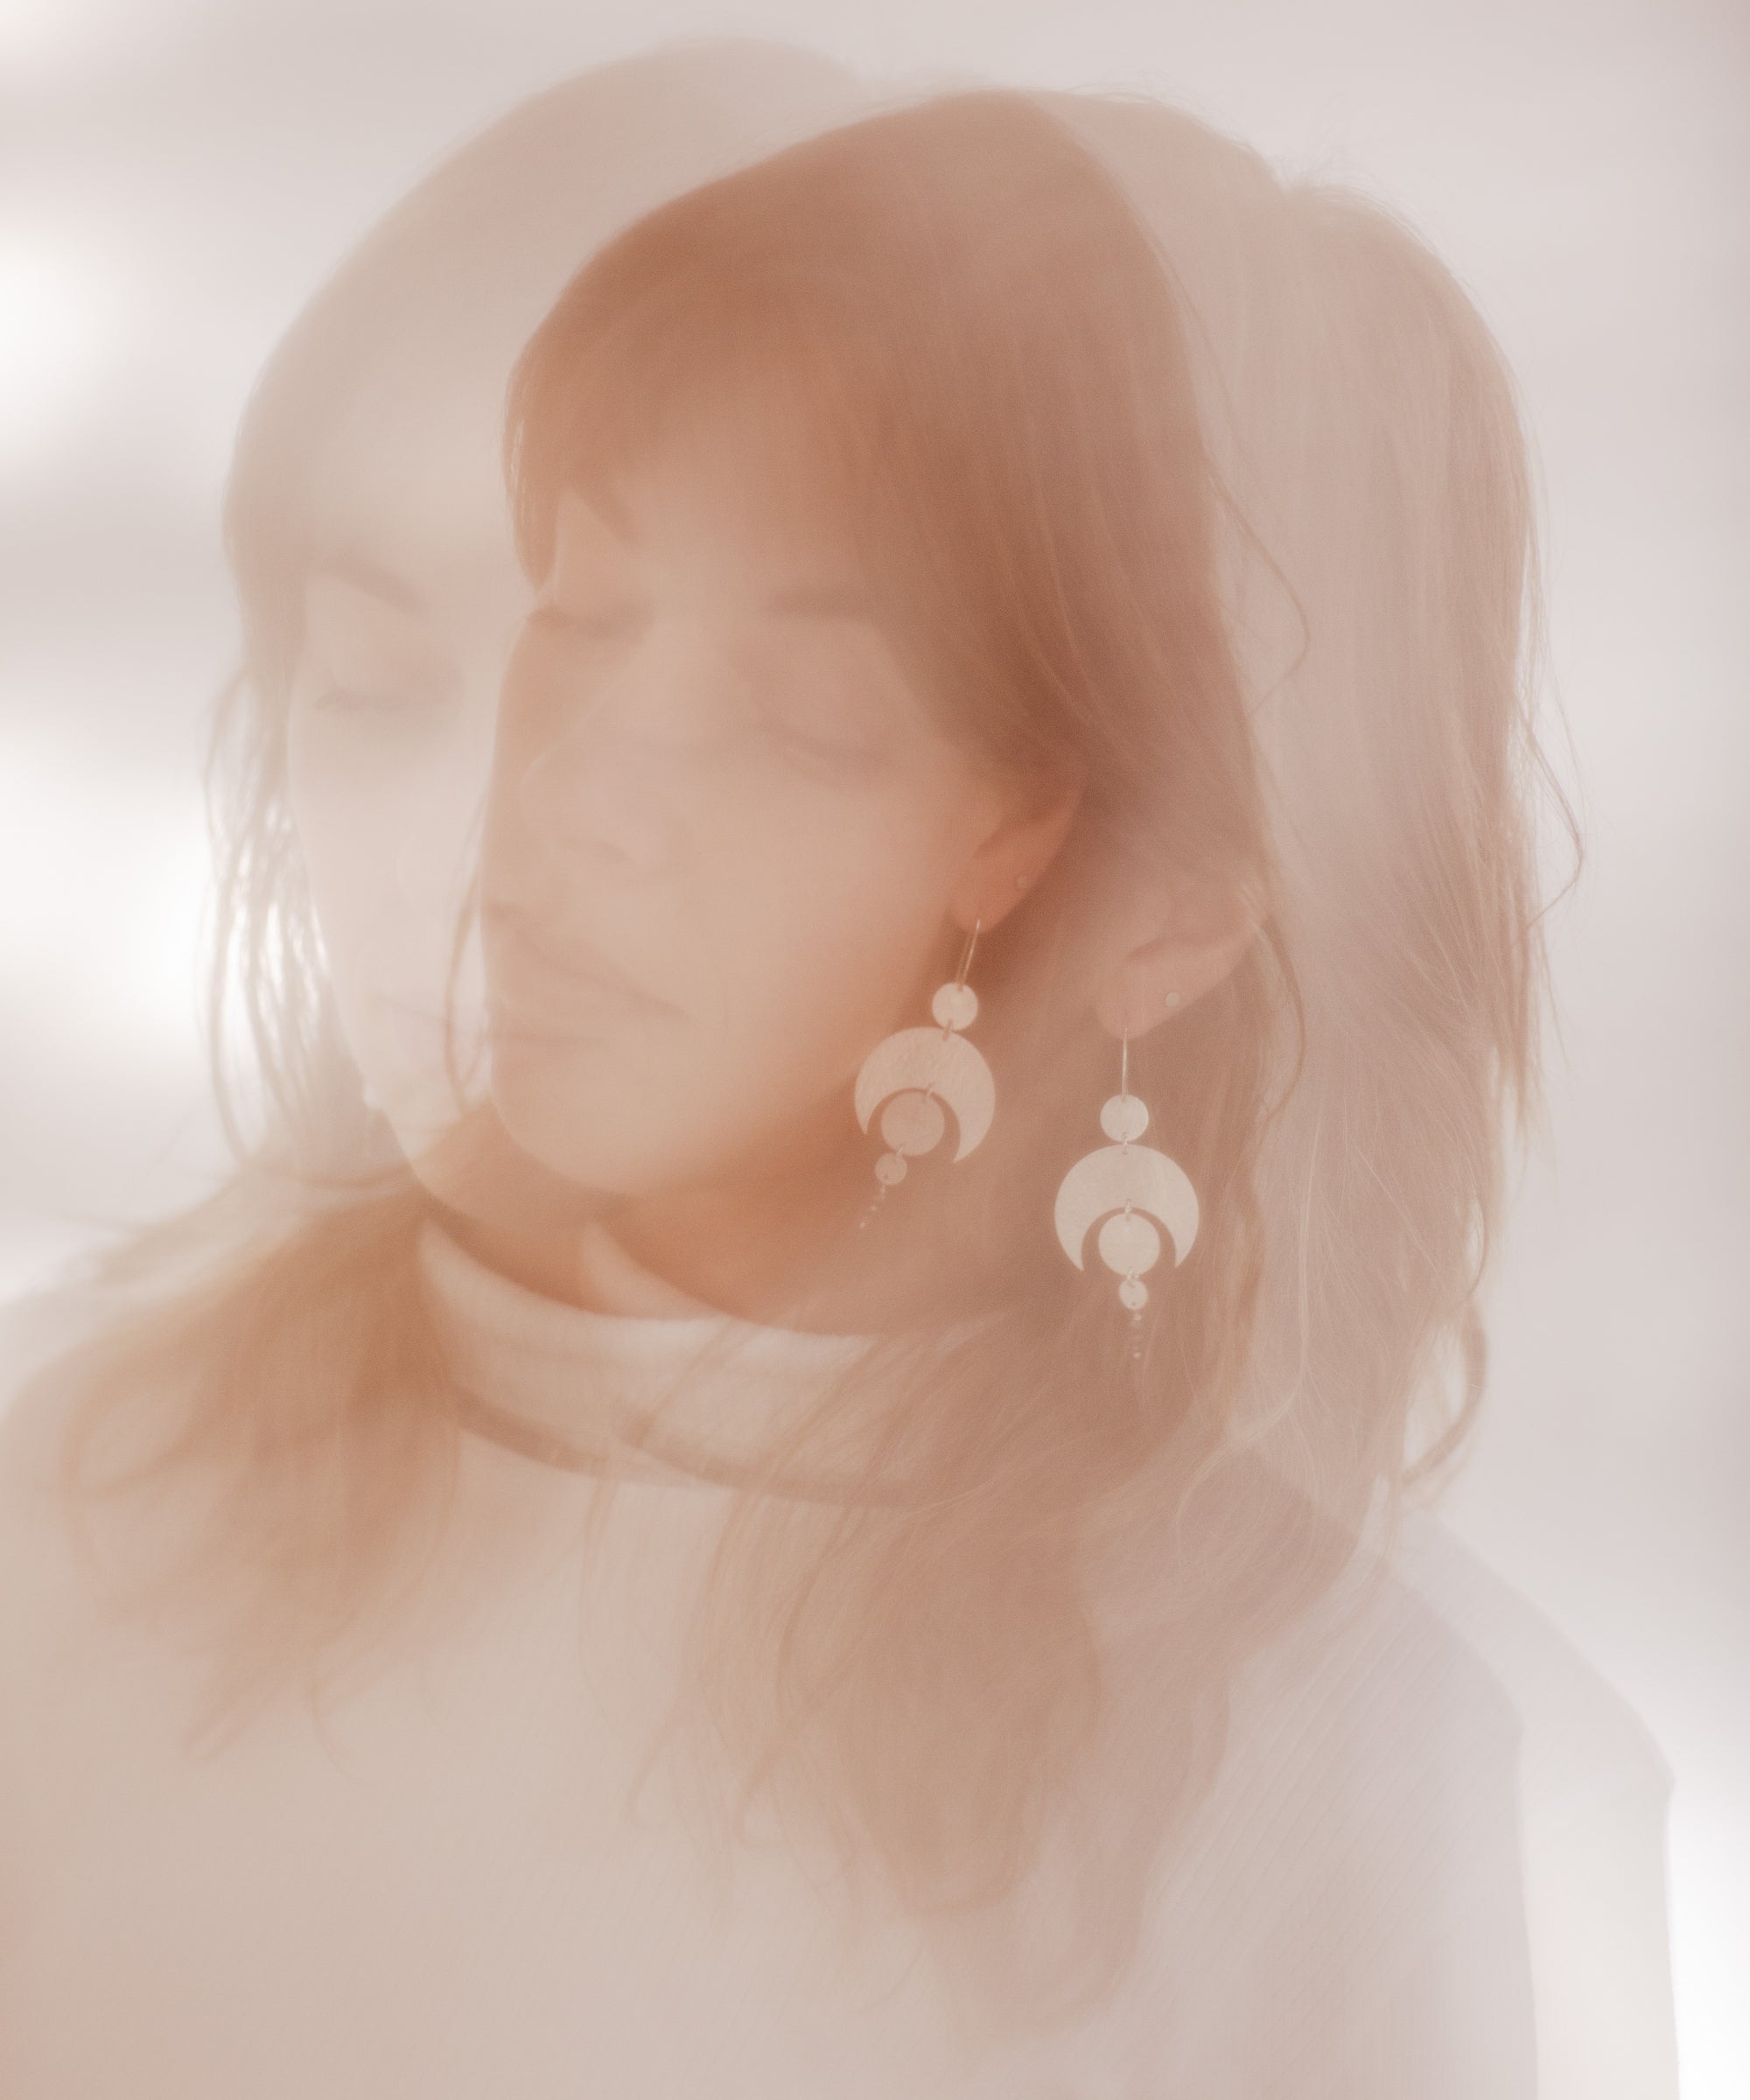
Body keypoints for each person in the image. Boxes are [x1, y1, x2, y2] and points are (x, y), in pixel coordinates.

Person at [0, 49, 1678, 2100]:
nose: (576, 794)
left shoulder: (1326, 1766)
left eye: (798, 717)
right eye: (588, 614)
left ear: (1154, 907)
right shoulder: (75, 1501)